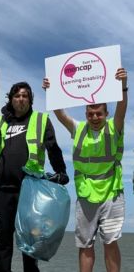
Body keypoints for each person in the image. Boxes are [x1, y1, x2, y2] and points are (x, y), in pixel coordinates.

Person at [43, 67, 128, 272]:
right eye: (91, 113)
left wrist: (122, 86)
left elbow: (122, 107)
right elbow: (61, 115)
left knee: (110, 242)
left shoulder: (114, 126)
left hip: (111, 194)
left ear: (106, 114)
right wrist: (51, 92)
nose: (95, 117)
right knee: (85, 244)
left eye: (99, 113)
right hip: (85, 194)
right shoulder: (79, 128)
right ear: (86, 114)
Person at [0, 82, 69, 272]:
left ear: (30, 99)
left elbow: (53, 148)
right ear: (11, 99)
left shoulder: (41, 119)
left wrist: (61, 171)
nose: (21, 99)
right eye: (17, 96)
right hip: (2, 190)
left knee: (30, 241)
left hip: (30, 191)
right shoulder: (0, 121)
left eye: (25, 96)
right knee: (4, 239)